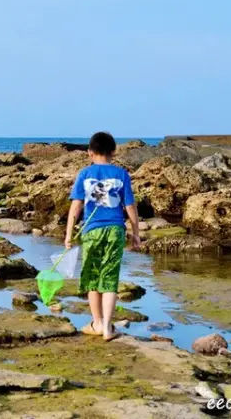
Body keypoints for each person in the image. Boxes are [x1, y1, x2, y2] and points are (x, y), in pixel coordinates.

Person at [65, 131, 140, 341]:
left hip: (92, 230)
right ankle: (108, 327)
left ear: (90, 152)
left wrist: (68, 234)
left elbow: (75, 207)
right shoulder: (121, 174)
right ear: (113, 152)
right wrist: (136, 233)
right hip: (116, 230)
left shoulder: (85, 174)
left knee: (92, 276)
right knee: (109, 277)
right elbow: (130, 206)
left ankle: (96, 323)